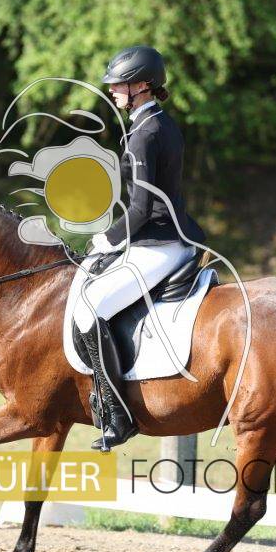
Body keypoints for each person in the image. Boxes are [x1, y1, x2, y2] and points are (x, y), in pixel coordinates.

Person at [73, 45, 208, 452]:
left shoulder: (147, 133)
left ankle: (118, 415)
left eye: (120, 84)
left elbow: (142, 207)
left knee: (90, 307)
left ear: (143, 85)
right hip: (165, 236)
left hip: (159, 243)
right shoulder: (156, 123)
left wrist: (107, 239)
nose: (112, 90)